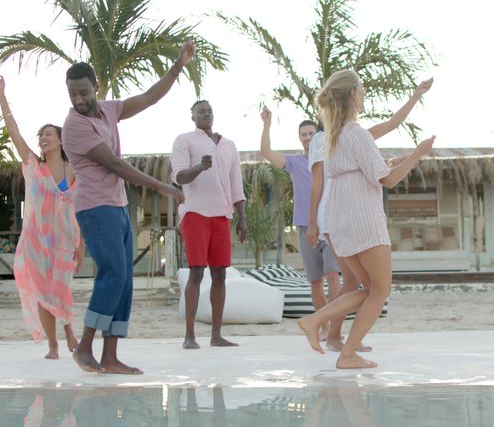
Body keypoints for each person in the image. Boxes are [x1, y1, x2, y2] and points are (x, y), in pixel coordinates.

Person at [62, 41, 190, 375]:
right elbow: (115, 165)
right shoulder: (74, 127)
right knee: (113, 273)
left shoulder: (107, 109)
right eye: (73, 93)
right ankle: (85, 348)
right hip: (94, 208)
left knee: (125, 281)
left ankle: (110, 356)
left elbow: (148, 98)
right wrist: (163, 187)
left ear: (96, 88)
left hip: (117, 205)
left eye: (84, 92)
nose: (79, 99)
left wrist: (178, 65)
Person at [296, 70, 436, 369]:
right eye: (361, 88)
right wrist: (417, 154)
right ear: (351, 95)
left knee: (366, 289)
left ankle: (317, 322)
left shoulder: (333, 136)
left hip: (341, 219)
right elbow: (386, 180)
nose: (364, 93)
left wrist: (387, 162)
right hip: (363, 219)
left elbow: (358, 171)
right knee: (380, 290)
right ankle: (345, 353)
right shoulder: (357, 134)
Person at [0, 76, 83, 360]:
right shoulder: (33, 165)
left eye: (48, 135)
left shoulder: (73, 170)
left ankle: (69, 328)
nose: (43, 139)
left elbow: (79, 208)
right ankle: (53, 344)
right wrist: (2, 97)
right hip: (35, 240)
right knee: (44, 294)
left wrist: (81, 246)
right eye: (41, 136)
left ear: (60, 140)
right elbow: (13, 132)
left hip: (65, 240)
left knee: (59, 287)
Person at [170, 100, 248, 349]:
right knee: (196, 271)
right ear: (191, 116)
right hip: (195, 213)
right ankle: (189, 336)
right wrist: (199, 167)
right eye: (200, 111)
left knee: (220, 274)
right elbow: (179, 177)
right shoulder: (185, 140)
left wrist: (242, 218)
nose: (206, 114)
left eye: (209, 110)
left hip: (222, 216)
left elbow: (237, 184)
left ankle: (216, 336)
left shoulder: (229, 145)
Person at [259, 107, 339, 339]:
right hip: (305, 228)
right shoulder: (293, 162)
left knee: (333, 276)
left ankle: (334, 327)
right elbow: (265, 151)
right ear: (299, 138)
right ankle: (323, 326)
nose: (307, 137)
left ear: (319, 135)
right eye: (303, 134)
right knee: (315, 281)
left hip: (331, 225)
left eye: (311, 133)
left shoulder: (331, 159)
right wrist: (267, 124)